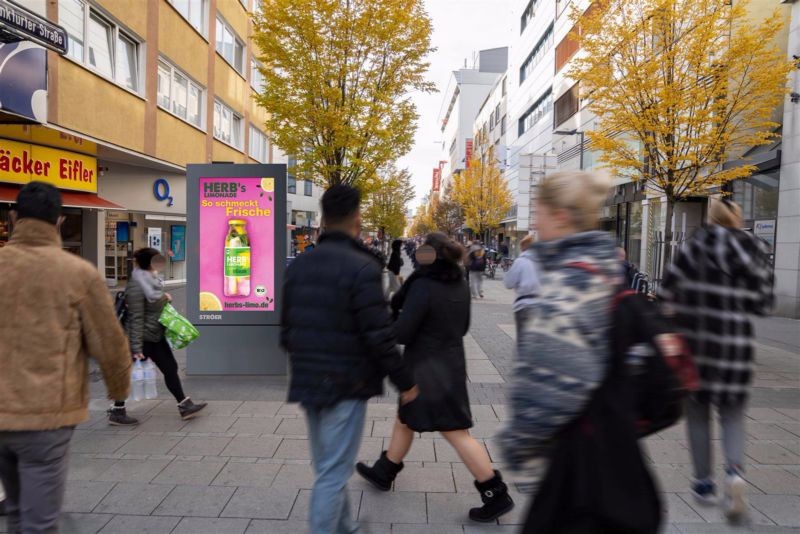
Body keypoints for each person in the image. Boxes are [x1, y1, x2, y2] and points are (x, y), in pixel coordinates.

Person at [500, 171, 661, 533]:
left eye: (539, 212)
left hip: (583, 475)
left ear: (559, 215)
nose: (535, 223)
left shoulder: (572, 284)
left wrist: (519, 443)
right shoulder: (608, 269)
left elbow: (552, 385)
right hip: (625, 463)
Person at [281, 185, 418, 534]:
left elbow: (285, 333)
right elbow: (378, 334)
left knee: (328, 467)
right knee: (332, 473)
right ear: (357, 218)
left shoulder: (300, 265)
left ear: (323, 219)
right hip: (346, 382)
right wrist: (405, 381)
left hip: (308, 380)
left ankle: (346, 529)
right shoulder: (362, 267)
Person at [0, 182, 132, 533]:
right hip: (46, 415)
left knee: (14, 511)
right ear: (59, 220)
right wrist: (119, 392)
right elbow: (110, 343)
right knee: (40, 522)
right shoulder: (77, 273)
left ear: (14, 218)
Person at [358, 233, 514, 522]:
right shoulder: (460, 282)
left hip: (427, 367)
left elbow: (403, 332)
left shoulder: (424, 285)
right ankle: (385, 470)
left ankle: (495, 492)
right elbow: (464, 326)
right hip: (450, 362)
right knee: (406, 416)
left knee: (454, 430)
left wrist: (391, 317)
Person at [660, 198, 773, 521]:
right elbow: (763, 303)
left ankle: (703, 483)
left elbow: (667, 291)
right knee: (733, 414)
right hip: (735, 346)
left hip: (696, 345)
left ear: (711, 217)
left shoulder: (694, 246)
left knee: (697, 414)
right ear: (737, 219)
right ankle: (735, 474)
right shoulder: (754, 249)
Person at [111, 248, 207, 424]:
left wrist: (164, 298)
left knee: (170, 367)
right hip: (142, 337)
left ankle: (184, 405)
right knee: (128, 373)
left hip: (154, 334)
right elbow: (137, 316)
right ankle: (117, 410)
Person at [503, 234, 540, 320]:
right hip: (541, 306)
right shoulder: (543, 261)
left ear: (523, 247)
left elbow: (508, 283)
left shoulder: (520, 262)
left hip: (524, 305)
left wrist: (506, 272)